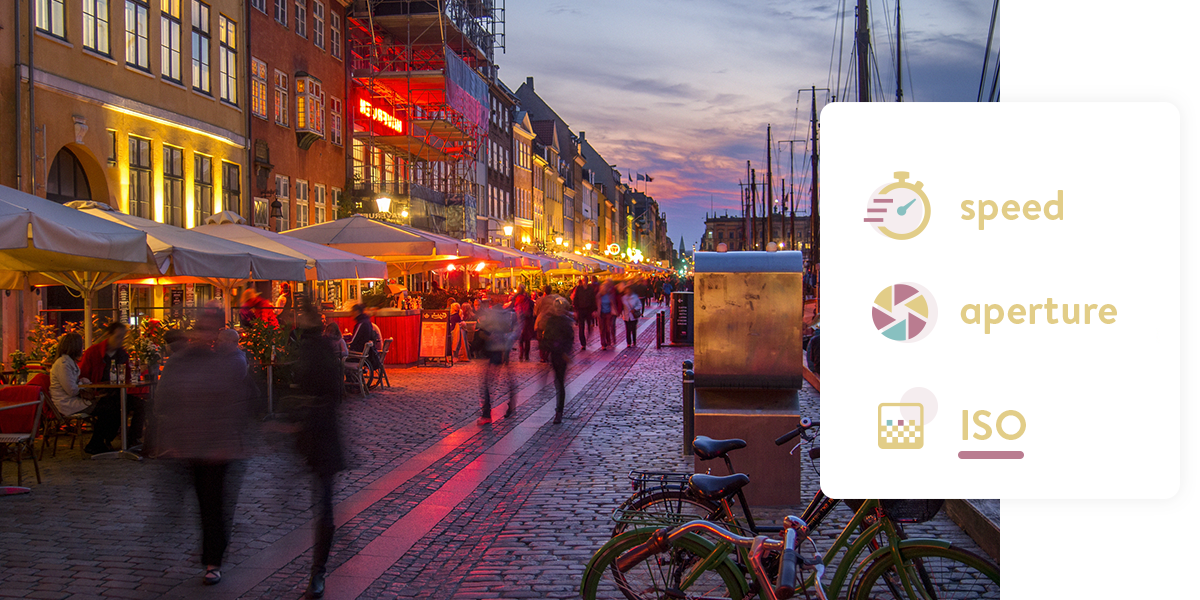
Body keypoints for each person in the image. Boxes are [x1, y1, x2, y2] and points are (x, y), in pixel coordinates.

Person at [151, 305, 253, 586]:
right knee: (170, 503)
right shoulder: (179, 361)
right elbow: (163, 401)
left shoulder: (225, 361)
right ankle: (160, 549)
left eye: (209, 329)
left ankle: (213, 561)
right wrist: (167, 439)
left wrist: (227, 442)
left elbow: (235, 404)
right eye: (201, 328)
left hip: (215, 450)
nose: (204, 334)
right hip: (183, 444)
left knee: (212, 506)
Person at [292, 298, 347, 599]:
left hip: (322, 436)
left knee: (323, 504)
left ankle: (318, 571)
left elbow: (330, 393)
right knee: (321, 503)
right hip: (316, 435)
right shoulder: (314, 348)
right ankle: (318, 570)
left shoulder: (316, 350)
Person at [79, 322, 143, 453]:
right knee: (114, 408)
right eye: (118, 337)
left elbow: (128, 377)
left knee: (143, 406)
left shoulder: (122, 355)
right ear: (109, 335)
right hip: (99, 395)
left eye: (123, 337)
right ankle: (101, 441)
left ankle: (132, 438)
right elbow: (83, 376)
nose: (120, 341)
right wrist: (94, 390)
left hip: (118, 393)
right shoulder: (93, 352)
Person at [476, 300, 516, 425]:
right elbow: (514, 331)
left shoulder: (490, 315)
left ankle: (486, 414)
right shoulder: (508, 315)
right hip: (505, 350)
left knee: (487, 383)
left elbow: (482, 330)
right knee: (508, 380)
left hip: (494, 350)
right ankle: (511, 405)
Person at [540, 297, 576, 424]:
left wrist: (565, 351)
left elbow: (569, 339)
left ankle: (559, 411)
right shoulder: (552, 321)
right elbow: (547, 337)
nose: (558, 310)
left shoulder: (564, 322)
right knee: (558, 382)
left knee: (559, 382)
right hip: (555, 354)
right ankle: (559, 410)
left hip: (560, 355)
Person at [48, 333, 93, 418]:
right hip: (67, 404)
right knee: (107, 408)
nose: (82, 349)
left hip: (71, 402)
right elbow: (71, 390)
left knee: (107, 405)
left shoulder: (67, 362)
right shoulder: (63, 364)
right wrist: (83, 385)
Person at [510, 284, 534, 361]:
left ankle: (521, 354)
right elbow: (531, 306)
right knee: (527, 338)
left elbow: (512, 306)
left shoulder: (516, 298)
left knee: (520, 338)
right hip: (526, 319)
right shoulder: (526, 298)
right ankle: (526, 355)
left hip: (518, 319)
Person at [572, 277, 597, 350]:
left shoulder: (590, 289)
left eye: (586, 281)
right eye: (584, 281)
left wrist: (594, 310)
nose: (585, 282)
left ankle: (588, 337)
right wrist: (575, 310)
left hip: (588, 309)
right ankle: (583, 343)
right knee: (581, 327)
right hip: (581, 310)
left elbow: (593, 300)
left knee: (589, 326)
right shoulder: (579, 289)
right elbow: (575, 299)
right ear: (582, 281)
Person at [597, 280, 618, 350]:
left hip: (608, 313)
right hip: (601, 314)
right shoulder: (598, 296)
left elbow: (613, 303)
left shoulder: (610, 295)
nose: (605, 289)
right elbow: (597, 305)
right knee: (602, 329)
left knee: (608, 328)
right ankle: (603, 344)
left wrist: (615, 311)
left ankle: (608, 342)